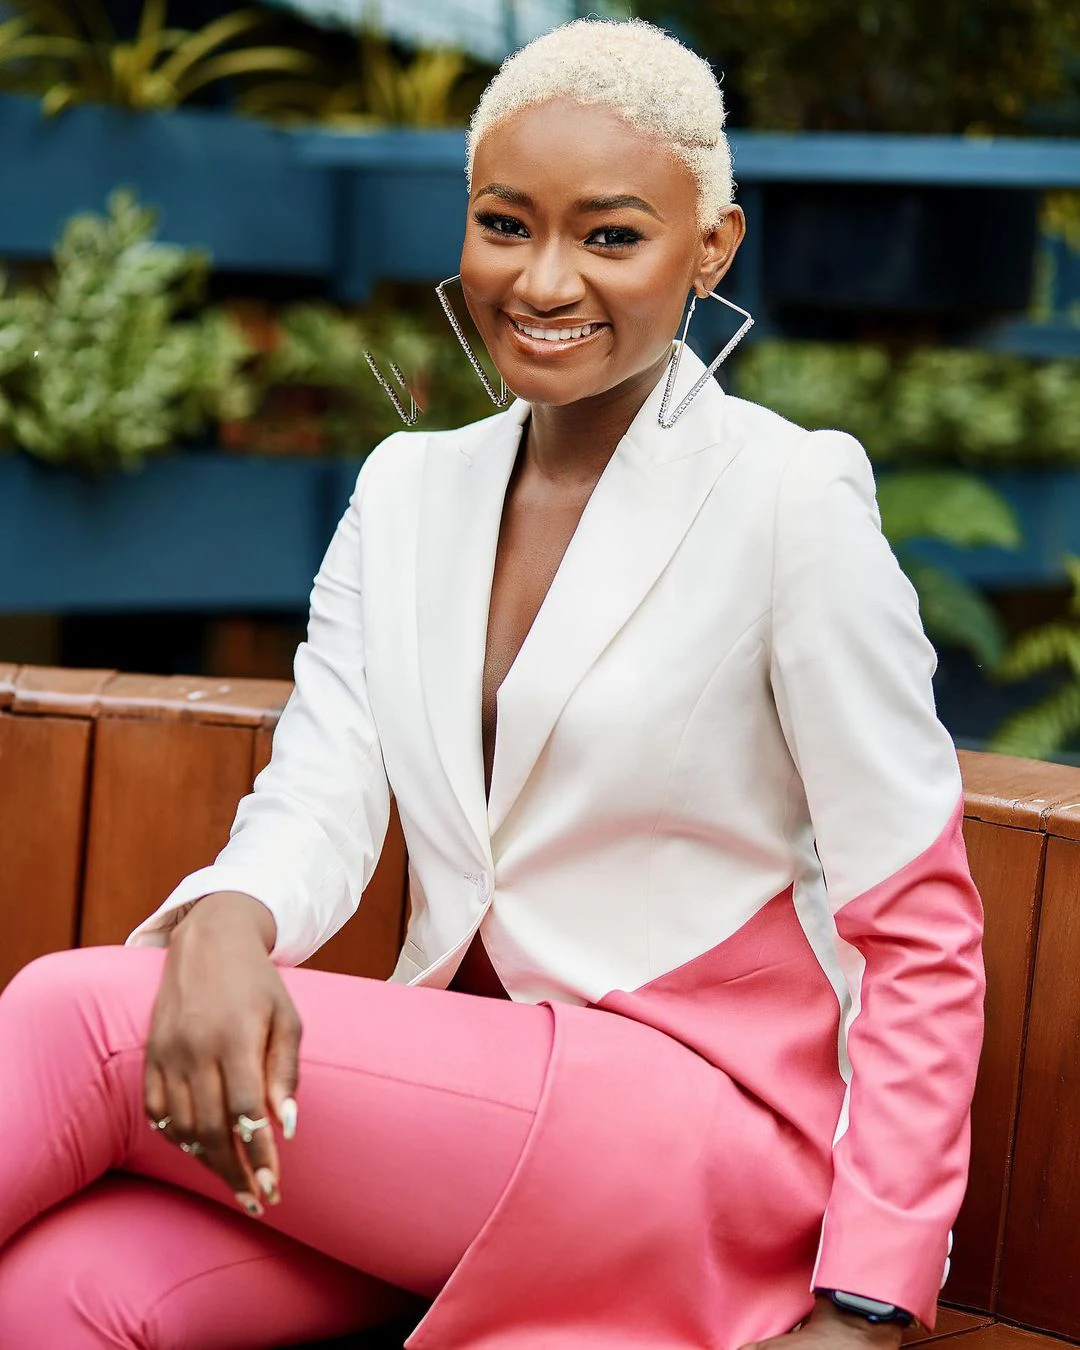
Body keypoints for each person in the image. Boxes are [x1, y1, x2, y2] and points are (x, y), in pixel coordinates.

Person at [0, 17, 985, 1350]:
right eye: (507, 224)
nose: (545, 277)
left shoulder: (787, 495)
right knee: (61, 1294)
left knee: (85, 1020)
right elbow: (325, 791)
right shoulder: (410, 488)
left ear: (712, 246)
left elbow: (919, 925)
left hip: (696, 1124)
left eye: (613, 235)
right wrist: (231, 912)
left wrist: (867, 1298)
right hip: (462, 1115)